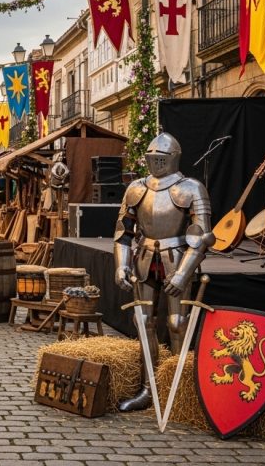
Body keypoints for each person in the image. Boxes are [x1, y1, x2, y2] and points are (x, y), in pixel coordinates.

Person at [113, 133, 214, 411]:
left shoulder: (192, 188)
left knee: (176, 323)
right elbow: (123, 232)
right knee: (142, 322)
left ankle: (180, 392)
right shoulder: (136, 187)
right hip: (144, 259)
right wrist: (121, 264)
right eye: (151, 153)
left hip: (178, 257)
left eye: (162, 154)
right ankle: (149, 390)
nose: (155, 158)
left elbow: (202, 236)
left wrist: (182, 274)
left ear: (174, 157)